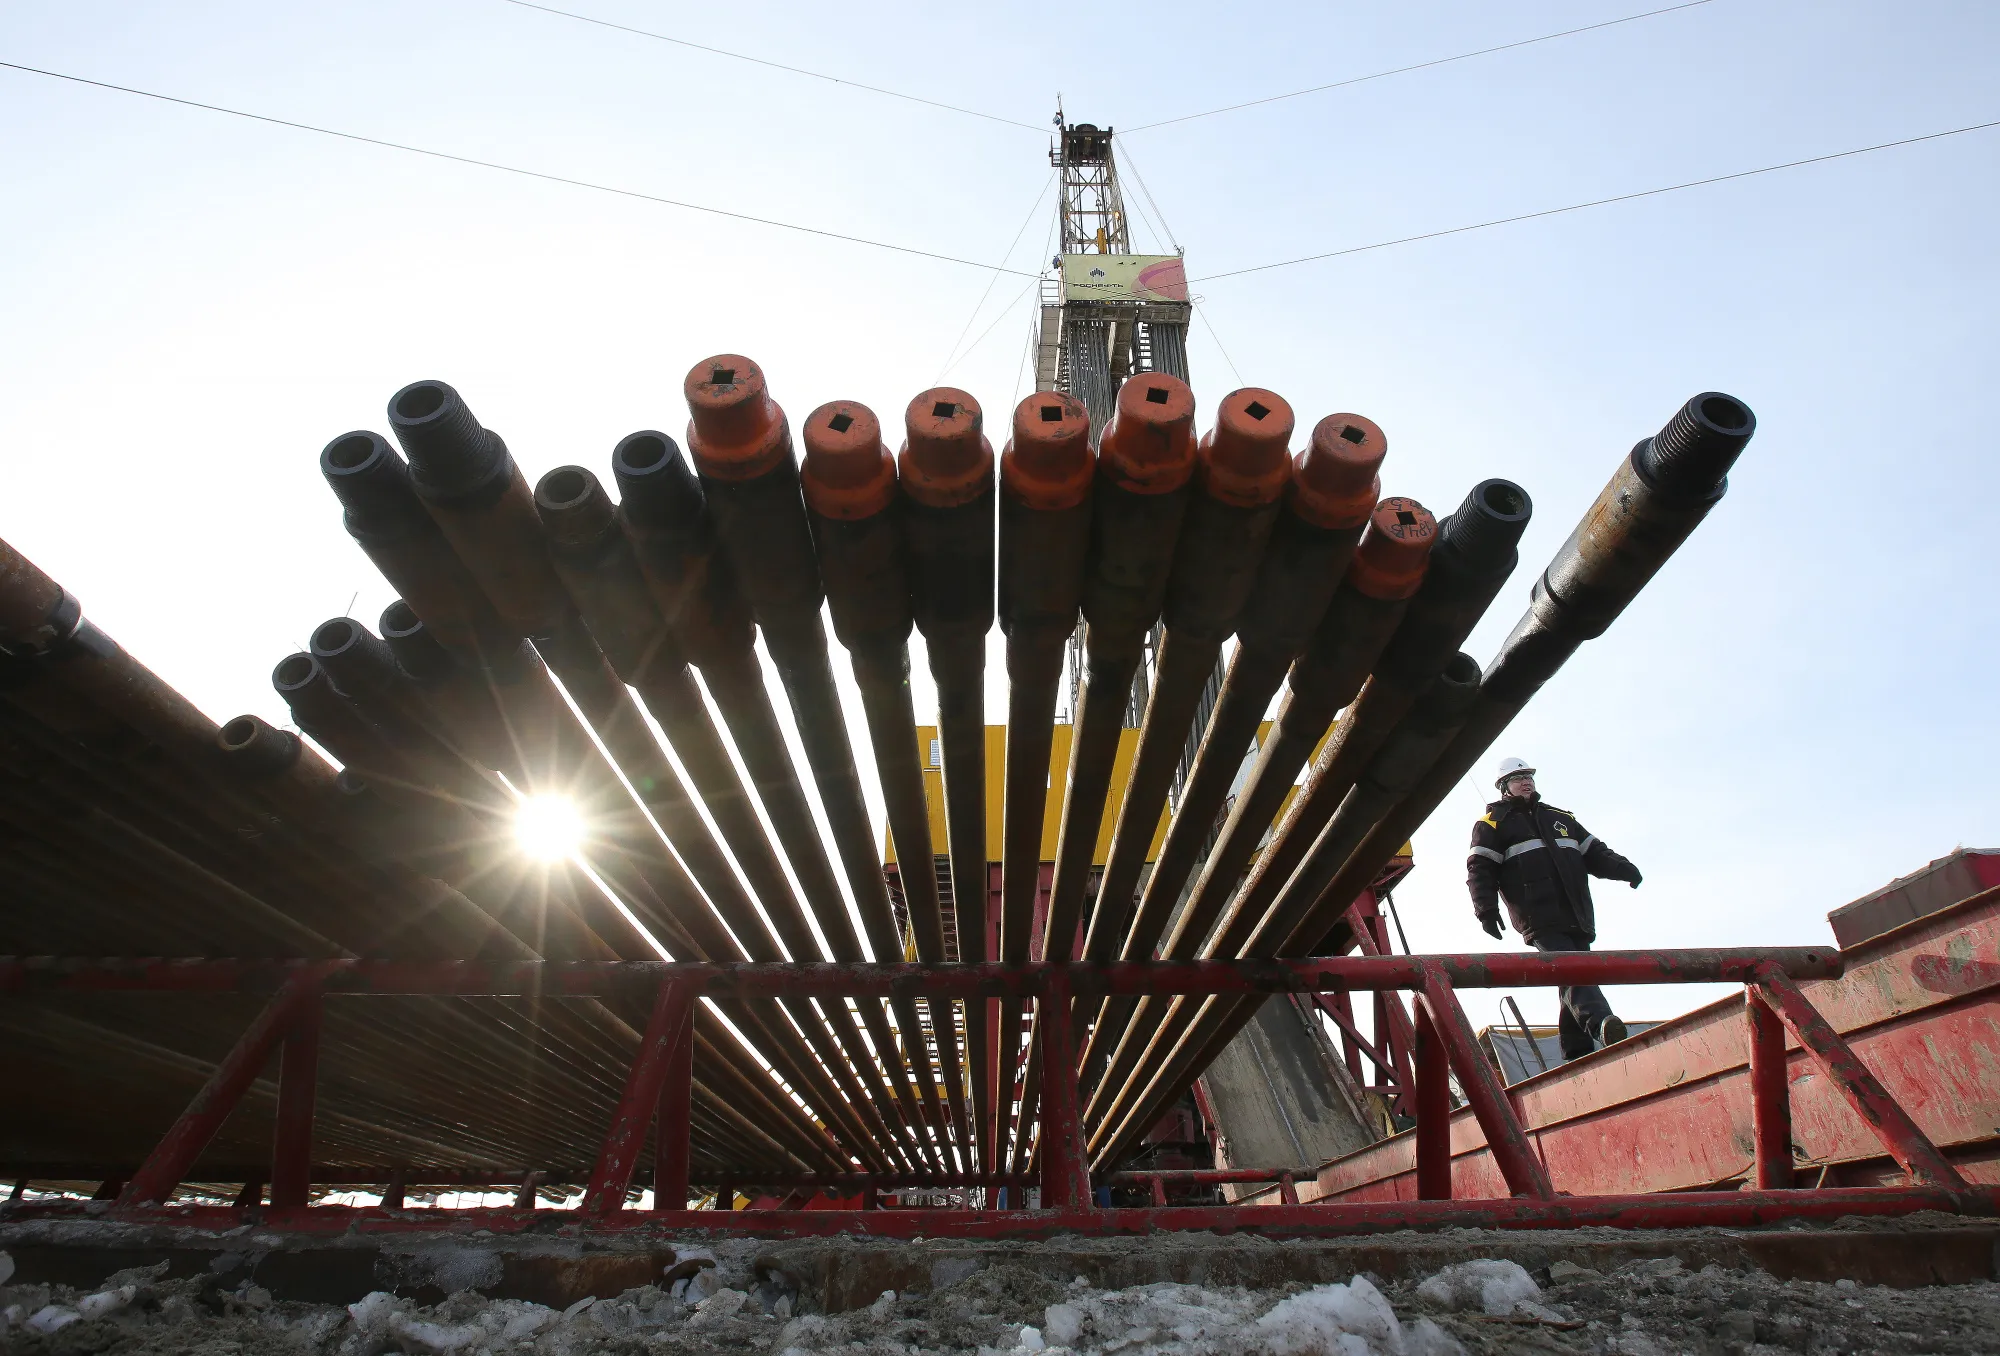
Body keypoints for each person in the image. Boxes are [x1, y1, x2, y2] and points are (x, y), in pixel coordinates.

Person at [1467, 758, 1642, 1060]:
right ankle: (1600, 1023)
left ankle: (1575, 1050)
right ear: (1504, 787)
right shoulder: (1492, 824)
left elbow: (1595, 853)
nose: (1526, 782)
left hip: (1577, 913)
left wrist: (1624, 869)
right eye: (1518, 777)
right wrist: (1486, 910)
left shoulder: (1560, 818)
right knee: (1574, 969)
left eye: (1529, 776)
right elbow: (1479, 870)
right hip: (1538, 915)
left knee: (1571, 974)